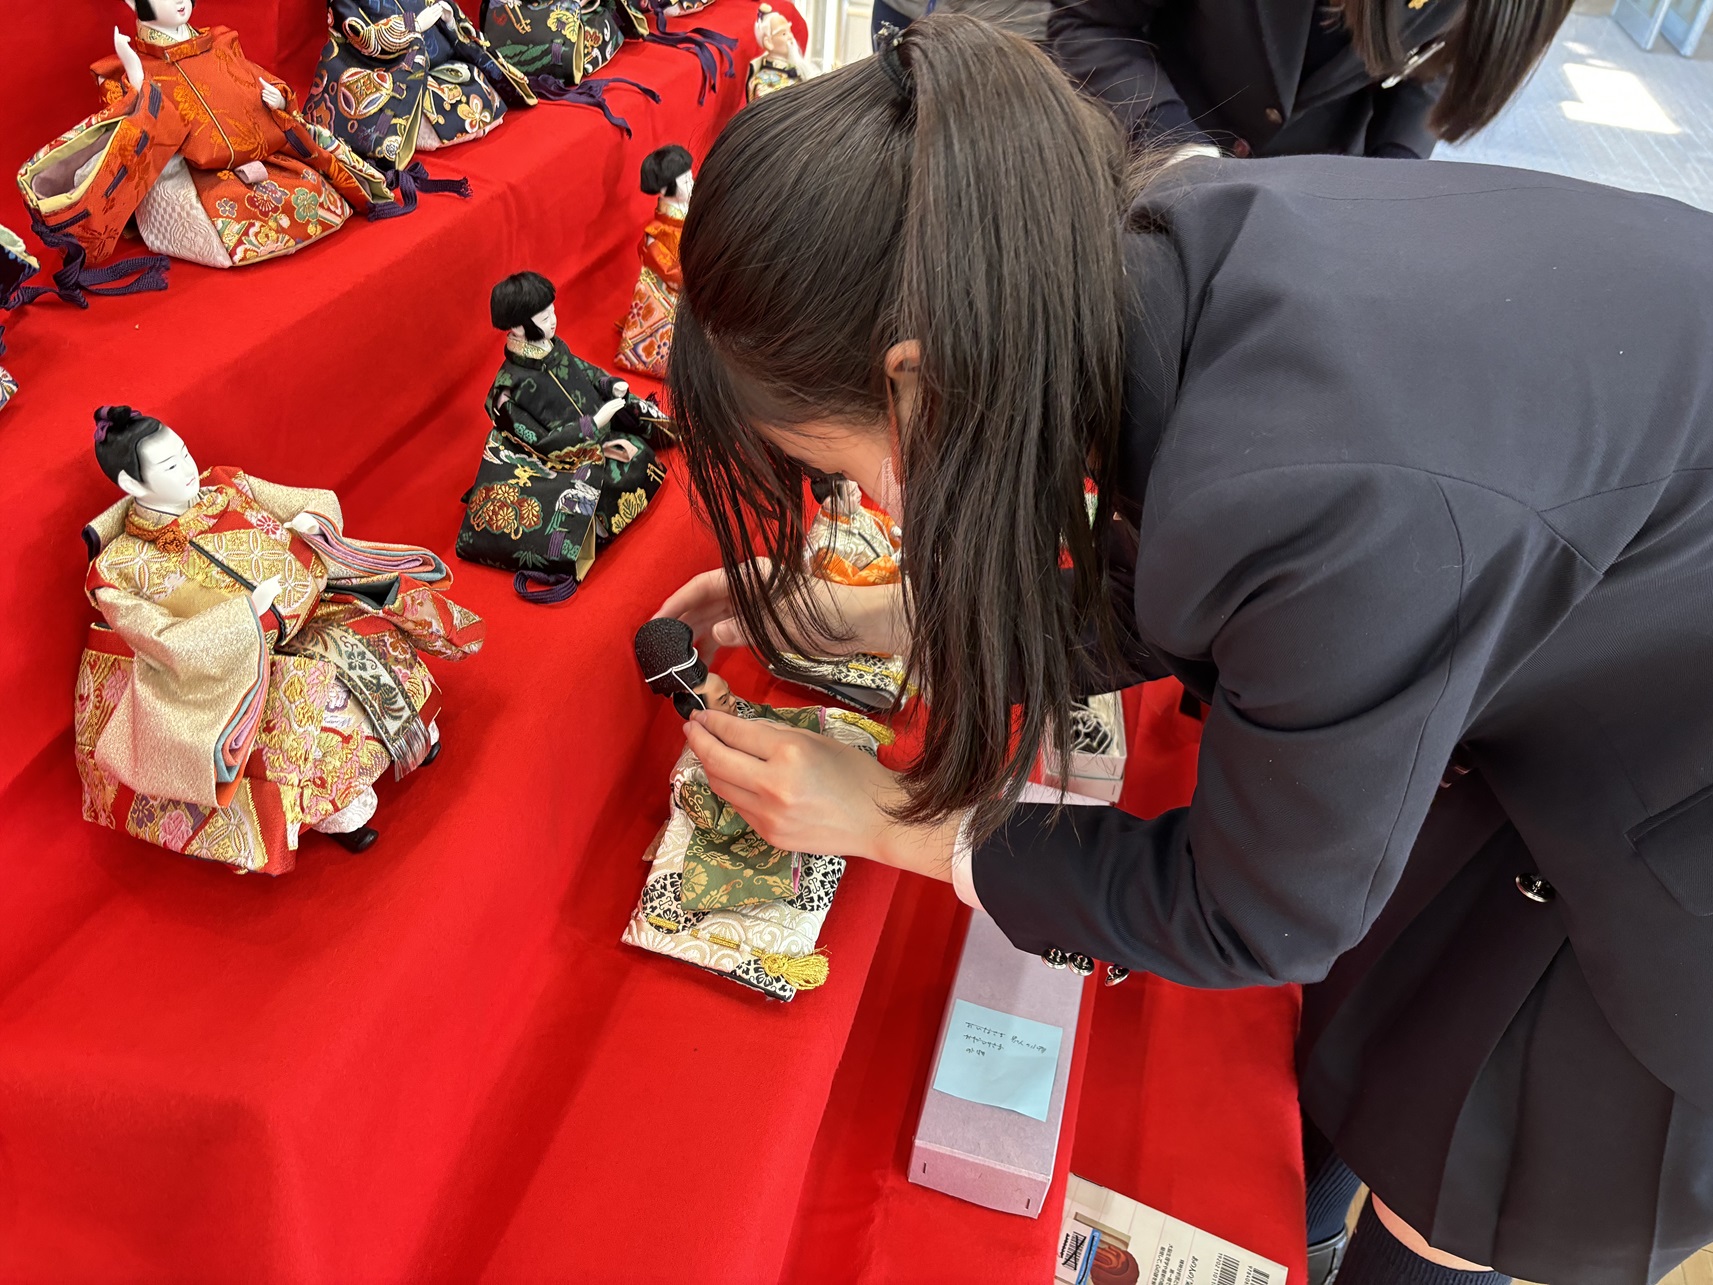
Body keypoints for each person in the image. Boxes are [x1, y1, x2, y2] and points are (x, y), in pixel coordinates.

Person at [654, 16, 1713, 1285]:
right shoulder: (1173, 240)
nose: (874, 510)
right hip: (1582, 590)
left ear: (916, 385)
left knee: (1465, 1191)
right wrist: (902, 620)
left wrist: (895, 821)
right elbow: (1195, 573)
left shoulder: (1324, 497)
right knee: (1398, 1044)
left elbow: (1259, 910)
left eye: (842, 471)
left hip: (1673, 811)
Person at [1047, 0, 1573, 159]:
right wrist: (1172, 141)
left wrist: (1397, 163)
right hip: (1148, 148)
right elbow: (1089, 25)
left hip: (1315, 181)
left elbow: (1431, 67)